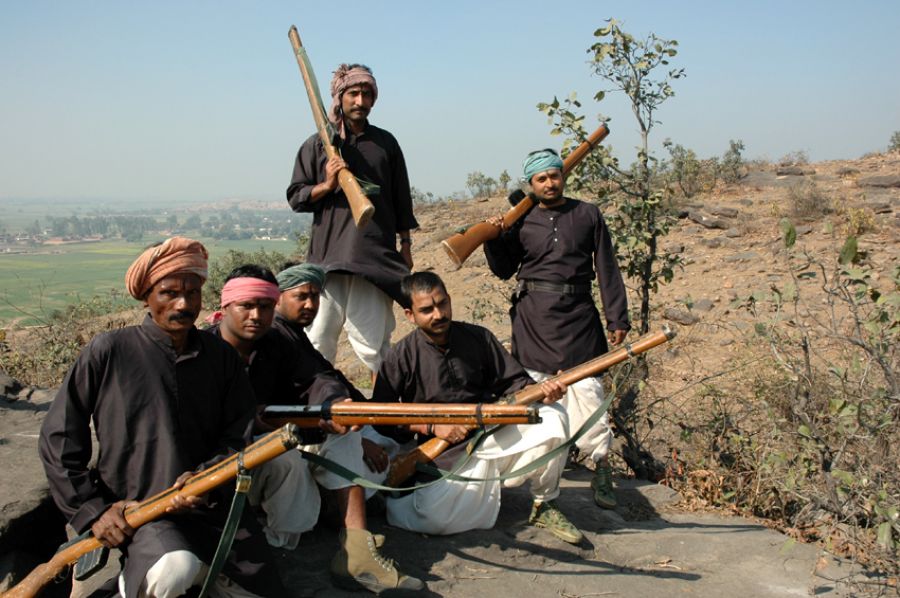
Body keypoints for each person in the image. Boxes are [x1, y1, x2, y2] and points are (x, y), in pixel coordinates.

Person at [39, 237, 281, 598]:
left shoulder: (221, 357)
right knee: (175, 569)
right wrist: (93, 512)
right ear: (146, 295)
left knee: (262, 589)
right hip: (141, 511)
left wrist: (206, 479)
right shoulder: (110, 350)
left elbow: (238, 433)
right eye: (169, 292)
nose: (183, 304)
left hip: (211, 507)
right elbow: (59, 437)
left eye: (193, 292)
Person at [209, 263, 422, 594]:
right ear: (225, 307)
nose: (256, 315)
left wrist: (336, 407)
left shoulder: (276, 341)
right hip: (217, 466)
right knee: (285, 461)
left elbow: (315, 378)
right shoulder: (204, 352)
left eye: (264, 306)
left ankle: (356, 552)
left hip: (272, 453)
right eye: (247, 306)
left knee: (343, 441)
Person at [371, 272, 583, 544]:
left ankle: (544, 504)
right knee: (433, 519)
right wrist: (432, 427)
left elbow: (516, 384)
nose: (438, 314)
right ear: (410, 315)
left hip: (491, 434)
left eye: (442, 304)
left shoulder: (478, 337)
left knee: (552, 417)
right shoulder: (401, 355)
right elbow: (381, 416)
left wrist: (544, 393)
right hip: (444, 454)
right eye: (427, 310)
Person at [483, 148, 631, 510]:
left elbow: (607, 268)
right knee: (535, 397)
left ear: (563, 176)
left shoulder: (587, 214)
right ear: (531, 184)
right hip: (533, 321)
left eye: (555, 175)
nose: (550, 183)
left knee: (589, 396)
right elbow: (503, 269)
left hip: (579, 318)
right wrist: (493, 235)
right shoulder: (523, 218)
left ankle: (601, 469)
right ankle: (537, 481)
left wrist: (617, 317)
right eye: (541, 179)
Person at [286, 63, 417, 375]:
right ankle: (315, 419)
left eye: (367, 94)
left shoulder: (386, 143)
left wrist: (406, 244)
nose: (360, 101)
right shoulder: (318, 144)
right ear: (340, 97)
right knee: (316, 344)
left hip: (373, 261)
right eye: (354, 93)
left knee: (375, 349)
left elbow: (401, 200)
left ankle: (387, 419)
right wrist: (327, 185)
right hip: (327, 262)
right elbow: (296, 196)